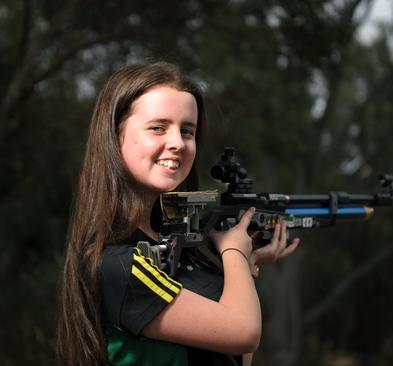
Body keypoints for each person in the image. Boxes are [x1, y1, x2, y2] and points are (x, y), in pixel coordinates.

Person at [57, 61, 300, 366]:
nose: (177, 143)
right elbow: (245, 332)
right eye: (158, 128)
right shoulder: (118, 264)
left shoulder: (180, 251)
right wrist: (234, 249)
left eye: (188, 131)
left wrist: (246, 263)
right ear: (115, 138)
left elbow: (235, 356)